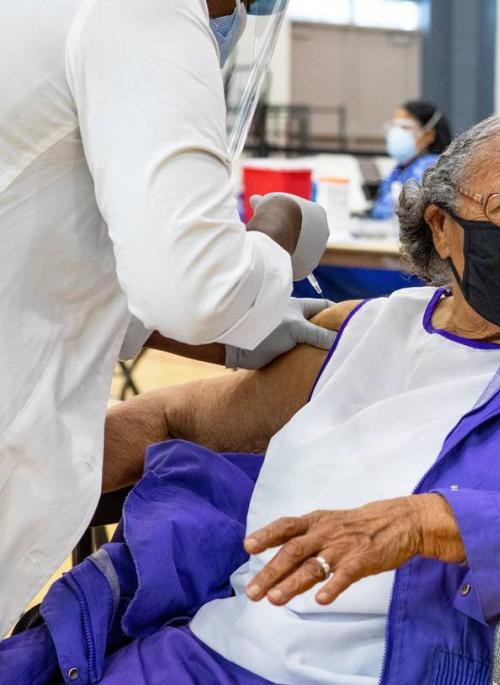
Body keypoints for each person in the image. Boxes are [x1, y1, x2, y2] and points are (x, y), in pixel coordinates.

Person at [0, 111, 500, 685]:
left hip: (408, 663)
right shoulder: (368, 328)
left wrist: (432, 520)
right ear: (443, 228)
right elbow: (173, 415)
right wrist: (33, 466)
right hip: (217, 648)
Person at [0, 0, 338, 634]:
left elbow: (55, 253)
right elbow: (195, 290)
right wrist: (275, 232)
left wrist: (230, 337)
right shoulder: (142, 13)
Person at [369, 100, 452, 219]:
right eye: (394, 126)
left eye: (404, 127)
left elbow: (394, 210)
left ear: (428, 135)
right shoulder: (403, 166)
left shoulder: (432, 169)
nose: (396, 133)